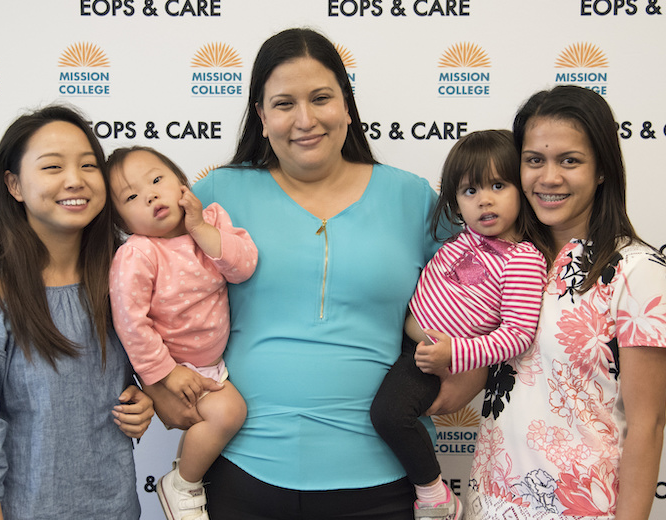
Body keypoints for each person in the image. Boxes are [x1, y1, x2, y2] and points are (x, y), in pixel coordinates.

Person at [144, 27, 445, 519]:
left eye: (321, 98)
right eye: (283, 104)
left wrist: (468, 373)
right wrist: (156, 383)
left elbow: (494, 283)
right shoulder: (216, 195)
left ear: (347, 105)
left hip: (387, 481)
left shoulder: (413, 198)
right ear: (261, 118)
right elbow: (140, 287)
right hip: (241, 474)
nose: (305, 120)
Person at [431, 86, 666, 520]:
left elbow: (647, 426)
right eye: (535, 160)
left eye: (570, 160)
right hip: (492, 501)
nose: (549, 177)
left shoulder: (638, 271)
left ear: (601, 171)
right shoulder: (506, 261)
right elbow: (471, 376)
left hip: (582, 510)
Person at [0, 105, 154, 520]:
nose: (75, 180)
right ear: (13, 184)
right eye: (52, 166)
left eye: (89, 165)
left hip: (119, 508)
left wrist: (144, 397)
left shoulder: (124, 273)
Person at [370, 130, 548, 520]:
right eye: (469, 191)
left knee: (388, 415)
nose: (483, 199)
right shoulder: (462, 238)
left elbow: (517, 335)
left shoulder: (522, 259)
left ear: (522, 189)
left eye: (498, 186)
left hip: (430, 359)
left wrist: (454, 354)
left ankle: (435, 495)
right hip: (404, 343)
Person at [107, 146, 257, 520]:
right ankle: (182, 485)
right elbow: (130, 322)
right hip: (180, 369)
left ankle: (182, 479)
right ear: (123, 222)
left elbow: (243, 267)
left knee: (225, 417)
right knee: (229, 413)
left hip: (213, 363)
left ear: (183, 184)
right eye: (131, 197)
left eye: (157, 180)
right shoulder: (138, 253)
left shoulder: (211, 219)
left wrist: (201, 229)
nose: (151, 195)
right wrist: (166, 373)